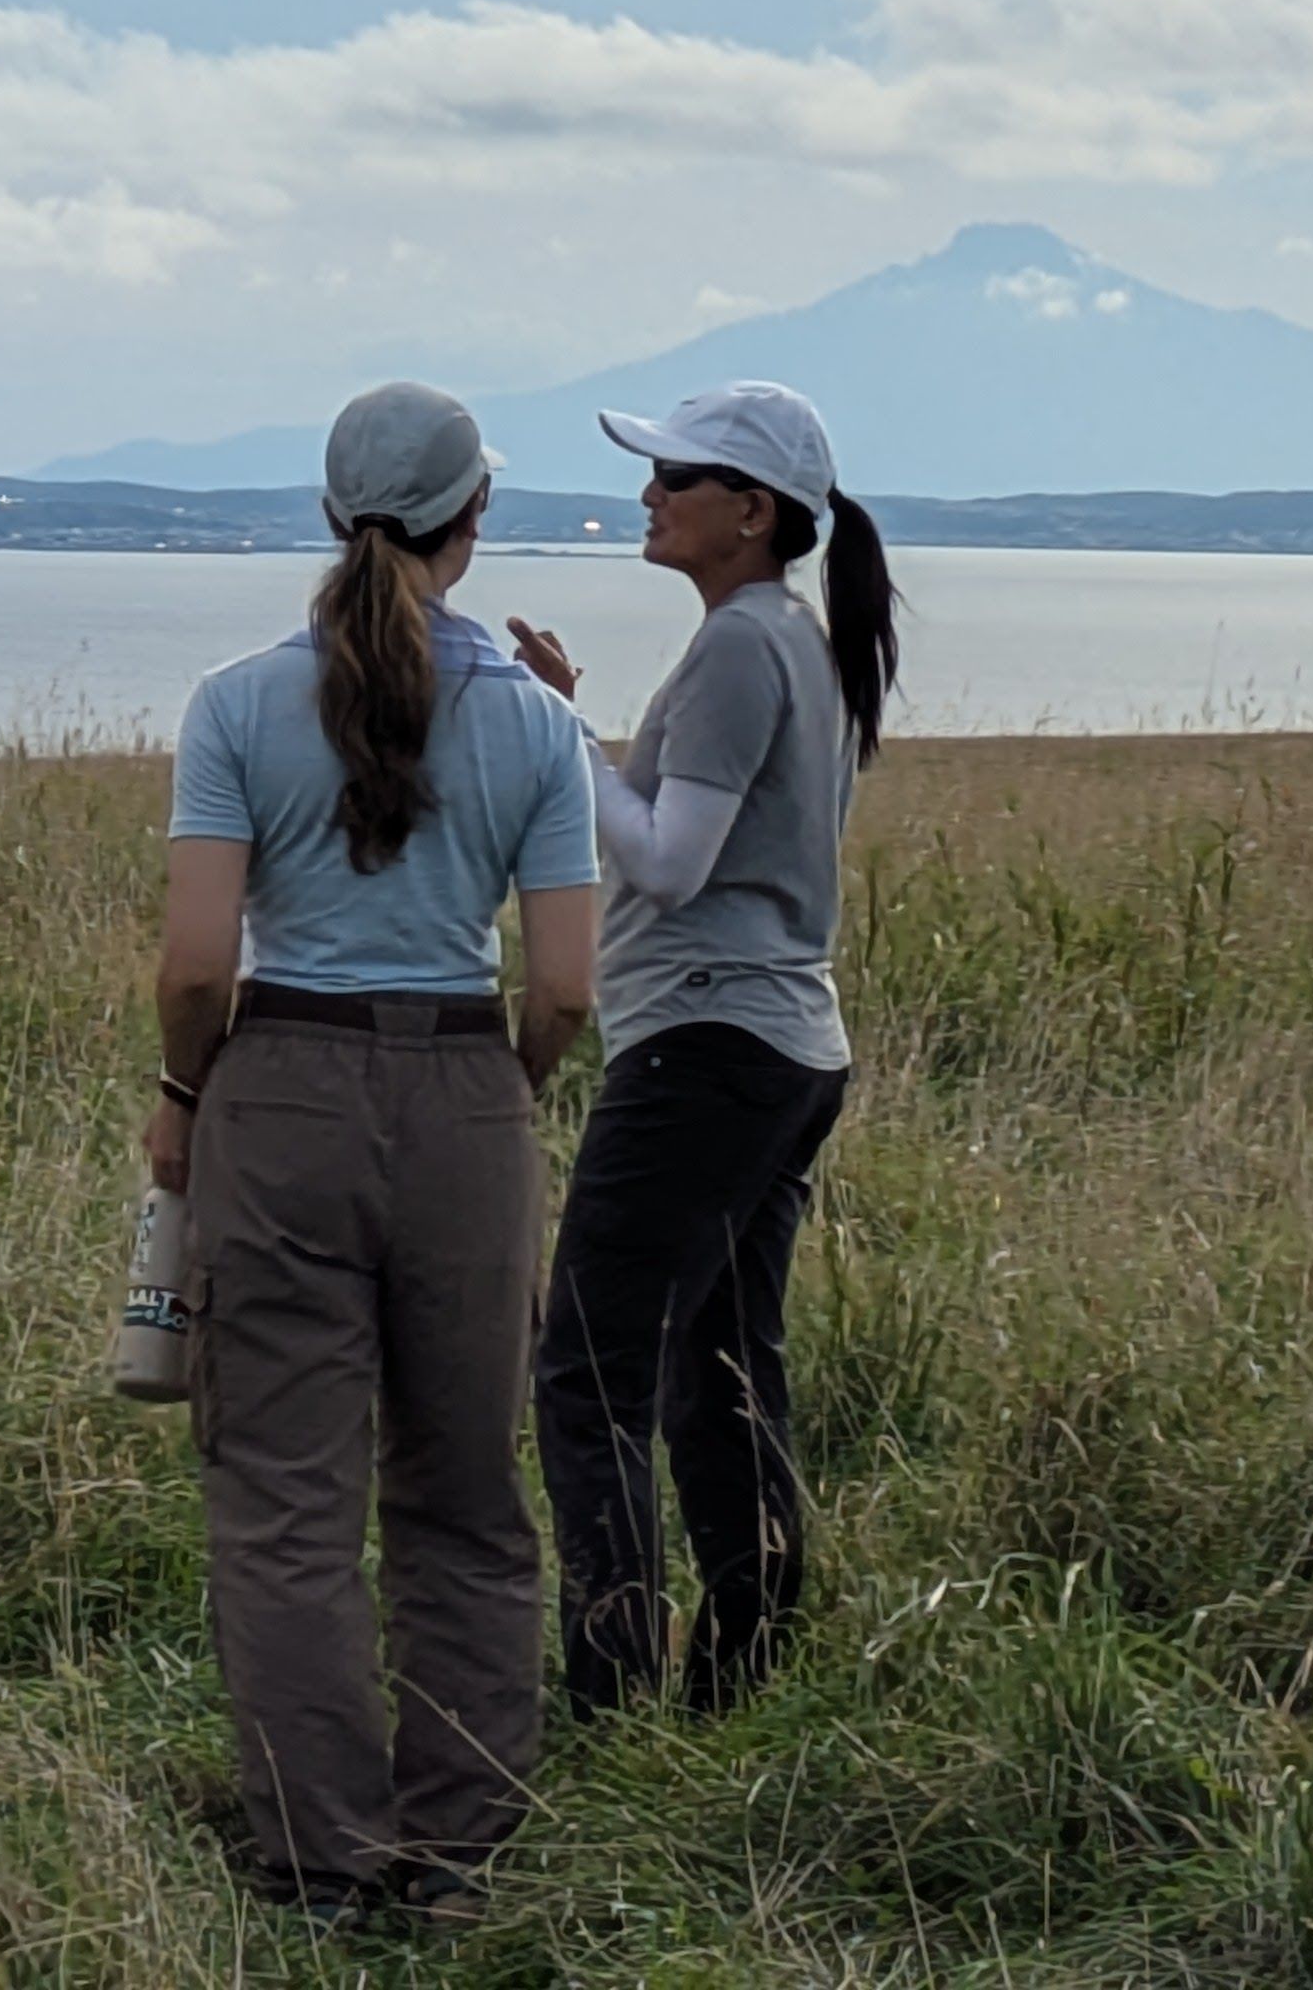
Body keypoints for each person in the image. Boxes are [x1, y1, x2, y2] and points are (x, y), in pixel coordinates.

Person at [145, 383, 597, 1925]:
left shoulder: (232, 704)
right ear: (475, 523)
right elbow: (564, 990)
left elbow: (199, 962)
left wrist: (183, 1096)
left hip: (276, 1095)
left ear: (336, 518)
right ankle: (455, 1852)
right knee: (467, 1494)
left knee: (284, 1501)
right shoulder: (537, 723)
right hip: (464, 1100)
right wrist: (503, 1083)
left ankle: (317, 1860)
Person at [500, 379, 896, 1713]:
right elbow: (701, 834)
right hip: (785, 1047)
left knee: (590, 1365)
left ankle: (609, 1683)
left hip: (708, 1049)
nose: (652, 494)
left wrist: (560, 734)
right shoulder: (796, 639)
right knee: (721, 1362)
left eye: (678, 476)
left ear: (753, 512)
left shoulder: (738, 646)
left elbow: (669, 862)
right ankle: (744, 1668)